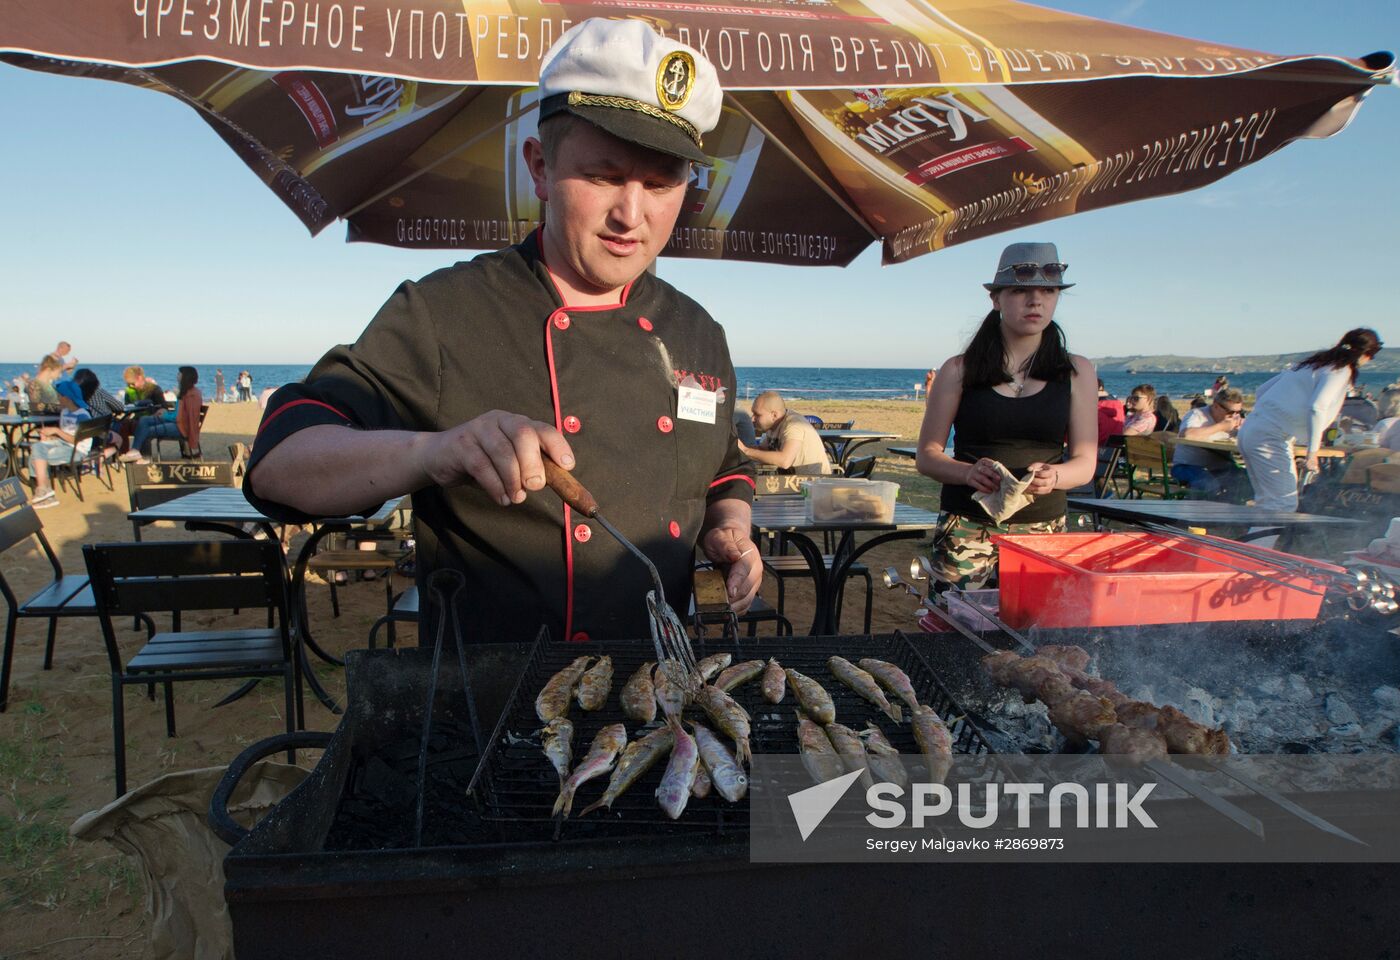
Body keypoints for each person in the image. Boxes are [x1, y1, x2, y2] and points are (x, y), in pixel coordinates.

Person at [243, 20, 761, 646]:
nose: (632, 214)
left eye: (659, 184)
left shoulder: (700, 331)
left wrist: (730, 526)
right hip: (487, 706)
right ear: (540, 168)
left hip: (656, 690)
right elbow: (278, 464)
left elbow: (721, 470)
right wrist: (433, 454)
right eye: (602, 176)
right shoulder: (444, 311)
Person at [915, 242, 1096, 587]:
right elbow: (927, 457)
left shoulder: (1077, 371)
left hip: (1044, 533)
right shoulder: (958, 370)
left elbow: (1085, 463)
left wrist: (1055, 476)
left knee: (1037, 635)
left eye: (1048, 290)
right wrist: (968, 473)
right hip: (967, 529)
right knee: (958, 630)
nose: (1036, 301)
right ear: (996, 299)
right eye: (1020, 291)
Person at [1239, 329, 1382, 512]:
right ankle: (1258, 542)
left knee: (1267, 501)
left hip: (1252, 429)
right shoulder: (1341, 370)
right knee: (1283, 504)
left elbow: (1261, 391)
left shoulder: (1313, 364)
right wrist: (1312, 453)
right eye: (1371, 356)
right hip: (1271, 435)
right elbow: (1317, 407)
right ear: (1364, 353)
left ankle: (1251, 540)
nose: (1369, 361)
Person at [27, 380, 93, 509]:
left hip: (77, 451)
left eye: (60, 396)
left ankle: (44, 491)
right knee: (37, 447)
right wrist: (50, 437)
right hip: (64, 445)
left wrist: (56, 431)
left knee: (36, 456)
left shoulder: (83, 416)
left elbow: (76, 440)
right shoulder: (65, 411)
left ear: (67, 398)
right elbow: (65, 435)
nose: (58, 398)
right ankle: (45, 491)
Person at [1170, 387, 1246, 498]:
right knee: (1209, 484)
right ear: (1216, 405)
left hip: (1221, 467)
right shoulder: (1197, 415)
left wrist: (1246, 430)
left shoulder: (1236, 420)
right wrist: (1221, 426)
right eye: (1230, 412)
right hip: (1188, 465)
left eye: (1239, 412)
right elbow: (1186, 434)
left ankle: (1230, 509)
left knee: (1250, 481)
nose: (1234, 416)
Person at [737, 391, 834, 475]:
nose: (752, 418)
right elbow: (763, 450)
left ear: (774, 415)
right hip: (794, 482)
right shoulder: (773, 425)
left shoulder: (793, 425)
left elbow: (785, 460)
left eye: (757, 415)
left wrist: (746, 451)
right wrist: (736, 448)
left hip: (814, 484)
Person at [122, 366, 203, 463]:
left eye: (179, 374)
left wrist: (165, 416)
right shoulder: (185, 392)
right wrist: (166, 413)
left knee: (147, 430)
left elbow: (188, 418)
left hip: (180, 427)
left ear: (185, 377)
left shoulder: (192, 394)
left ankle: (145, 457)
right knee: (144, 419)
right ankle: (135, 451)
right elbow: (179, 413)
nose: (177, 376)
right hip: (176, 422)